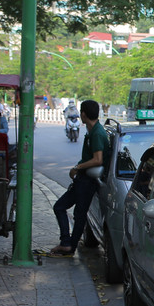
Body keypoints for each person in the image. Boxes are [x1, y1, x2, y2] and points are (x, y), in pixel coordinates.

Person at [50, 99, 109, 256]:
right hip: (83, 179)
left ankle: (69, 245)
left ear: (83, 114)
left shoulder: (97, 133)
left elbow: (98, 159)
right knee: (64, 208)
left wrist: (77, 168)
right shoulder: (92, 131)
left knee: (76, 213)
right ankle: (67, 243)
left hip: (88, 181)